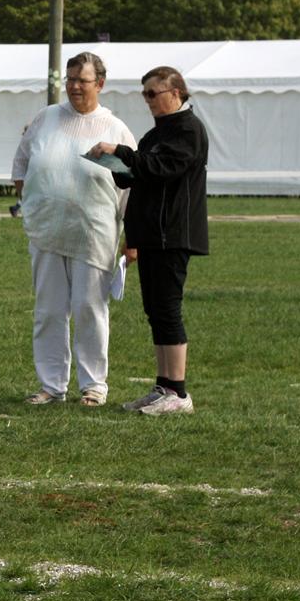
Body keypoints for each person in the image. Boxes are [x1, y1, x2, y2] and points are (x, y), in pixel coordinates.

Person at [11, 52, 136, 407]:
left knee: (89, 308)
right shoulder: (45, 118)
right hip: (47, 232)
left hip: (94, 234)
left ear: (100, 83)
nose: (74, 87)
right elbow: (21, 164)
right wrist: (35, 203)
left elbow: (131, 186)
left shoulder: (115, 128)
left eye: (81, 80)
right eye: (69, 80)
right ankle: (51, 385)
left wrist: (132, 238)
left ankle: (94, 386)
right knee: (49, 310)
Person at [89, 66, 208, 416]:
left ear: (176, 93)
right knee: (154, 309)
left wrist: (124, 153)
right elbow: (138, 176)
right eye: (144, 95)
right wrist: (116, 163)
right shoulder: (158, 133)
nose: (148, 101)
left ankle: (179, 393)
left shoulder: (188, 129)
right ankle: (163, 386)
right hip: (152, 233)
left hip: (173, 233)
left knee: (168, 308)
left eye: (152, 94)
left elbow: (163, 168)